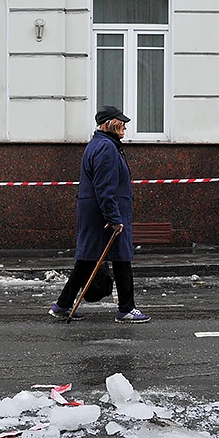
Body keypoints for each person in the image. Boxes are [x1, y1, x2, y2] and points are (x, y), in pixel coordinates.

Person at [49, 105, 151, 323]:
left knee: (86, 260)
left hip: (95, 213)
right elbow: (105, 188)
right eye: (120, 122)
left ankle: (62, 305)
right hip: (104, 214)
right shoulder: (106, 148)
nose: (125, 126)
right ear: (110, 124)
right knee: (122, 259)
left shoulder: (101, 145)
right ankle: (126, 308)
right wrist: (114, 218)